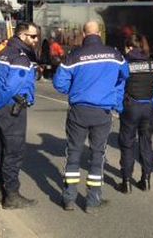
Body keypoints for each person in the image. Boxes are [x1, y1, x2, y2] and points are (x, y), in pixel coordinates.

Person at [53, 20, 128, 213]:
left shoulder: (74, 56)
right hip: (102, 112)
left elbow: (59, 83)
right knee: (97, 155)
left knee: (74, 153)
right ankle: (92, 201)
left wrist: (76, 90)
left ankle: (69, 198)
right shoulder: (114, 55)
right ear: (99, 34)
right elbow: (124, 75)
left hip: (79, 110)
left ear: (84, 35)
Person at [0, 22, 39, 209]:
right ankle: (12, 196)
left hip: (0, 109)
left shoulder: (0, 53)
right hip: (11, 109)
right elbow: (11, 87)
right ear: (22, 36)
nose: (36, 39)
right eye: (33, 36)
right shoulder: (20, 58)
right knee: (13, 153)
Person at [118, 34, 153, 194]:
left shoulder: (125, 66)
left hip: (130, 108)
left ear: (130, 48)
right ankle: (146, 179)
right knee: (146, 143)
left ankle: (126, 181)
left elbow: (119, 88)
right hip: (147, 108)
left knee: (127, 144)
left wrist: (119, 107)